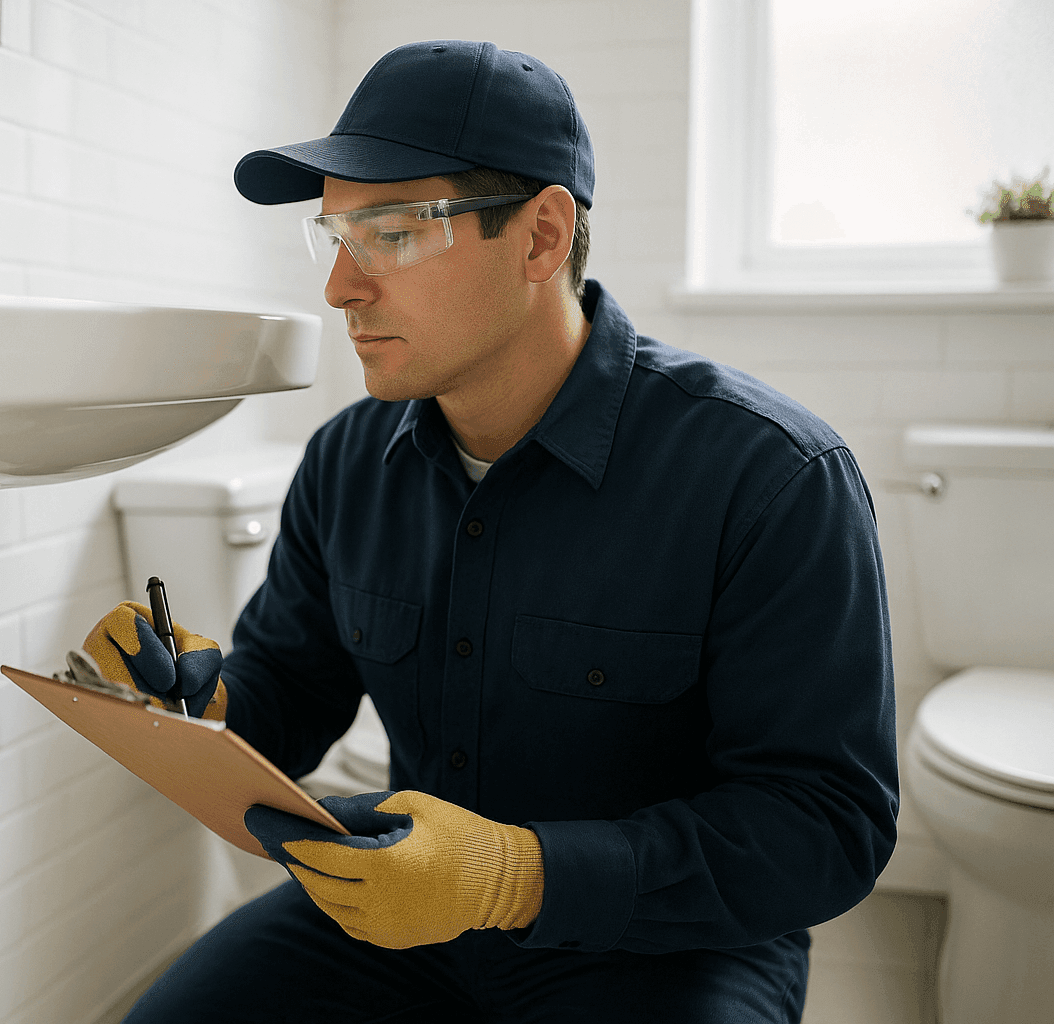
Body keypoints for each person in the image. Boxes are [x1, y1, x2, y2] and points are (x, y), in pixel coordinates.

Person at [83, 39, 898, 1024]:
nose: (341, 285)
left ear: (542, 237)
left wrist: (514, 874)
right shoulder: (348, 462)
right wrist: (198, 702)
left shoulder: (771, 478)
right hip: (399, 922)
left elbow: (827, 826)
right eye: (335, 234)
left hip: (662, 946)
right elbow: (291, 693)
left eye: (388, 230)